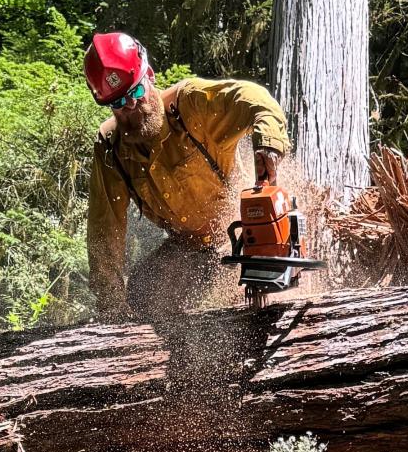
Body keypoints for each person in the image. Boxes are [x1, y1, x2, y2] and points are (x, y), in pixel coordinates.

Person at [82, 29, 292, 320]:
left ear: (150, 75)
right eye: (118, 104)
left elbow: (253, 97)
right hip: (188, 247)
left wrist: (268, 141)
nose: (131, 107)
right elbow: (104, 230)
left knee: (247, 312)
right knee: (142, 295)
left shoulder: (191, 105)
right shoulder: (111, 148)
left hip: (239, 236)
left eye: (136, 92)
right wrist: (110, 304)